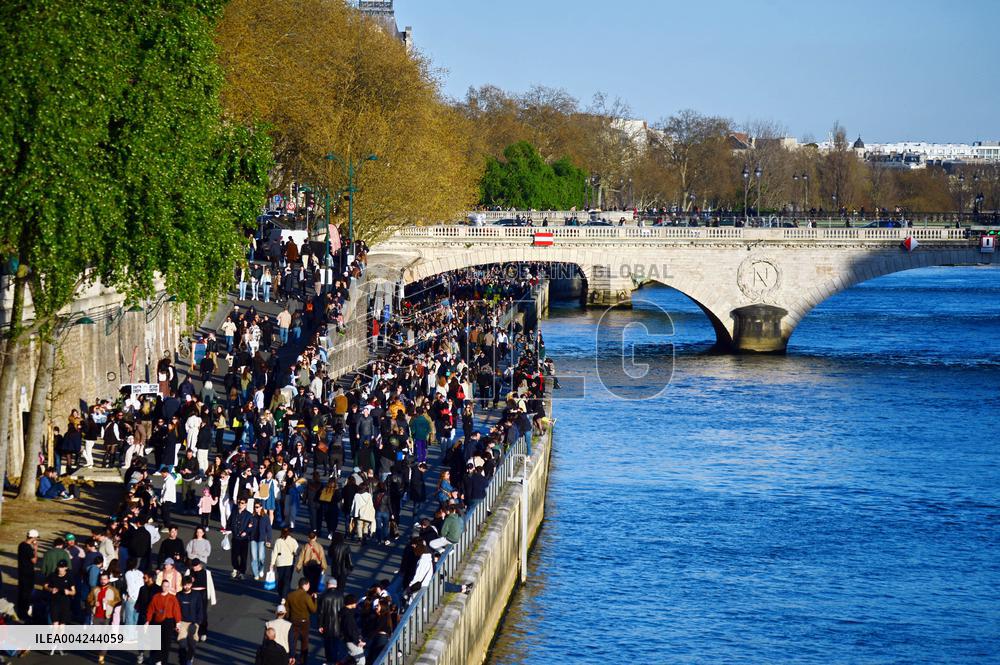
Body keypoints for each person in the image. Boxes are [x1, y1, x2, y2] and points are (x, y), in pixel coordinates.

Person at [86, 571, 121, 665]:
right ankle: (100, 650)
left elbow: (118, 601)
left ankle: (101, 657)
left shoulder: (113, 590)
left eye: (105, 579)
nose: (103, 581)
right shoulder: (95, 589)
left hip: (107, 617)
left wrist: (109, 602)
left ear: (108, 580)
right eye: (101, 579)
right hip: (97, 616)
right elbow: (89, 599)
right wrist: (94, 603)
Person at [145, 580, 182, 665]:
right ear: (161, 586)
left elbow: (176, 611)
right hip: (157, 621)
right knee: (156, 641)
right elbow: (150, 610)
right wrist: (147, 621)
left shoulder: (172, 598)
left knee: (166, 643)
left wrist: (178, 622)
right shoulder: (156, 597)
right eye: (164, 586)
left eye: (167, 586)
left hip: (168, 622)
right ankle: (157, 659)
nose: (165, 588)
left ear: (169, 587)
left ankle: (163, 661)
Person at [45, 560, 75, 655]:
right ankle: (53, 645)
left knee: (62, 625)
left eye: (62, 567)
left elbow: (74, 591)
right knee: (55, 624)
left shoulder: (69, 577)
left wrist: (68, 592)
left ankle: (61, 645)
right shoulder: (52, 575)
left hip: (65, 603)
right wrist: (51, 589)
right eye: (59, 567)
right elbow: (45, 586)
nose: (60, 569)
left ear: (66, 568)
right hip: (54, 602)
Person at [285, 578, 316, 665]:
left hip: (293, 620)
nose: (309, 587)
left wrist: (288, 618)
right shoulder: (306, 596)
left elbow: (287, 609)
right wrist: (315, 600)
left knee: (293, 640)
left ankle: (292, 658)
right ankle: (303, 660)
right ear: (304, 585)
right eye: (308, 585)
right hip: (304, 622)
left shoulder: (290, 595)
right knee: (304, 641)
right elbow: (313, 610)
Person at [177, 576, 205, 664]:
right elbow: (176, 610)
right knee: (182, 644)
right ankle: (183, 661)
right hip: (182, 622)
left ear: (191, 584)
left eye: (188, 584)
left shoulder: (196, 595)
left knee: (192, 644)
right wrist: (177, 622)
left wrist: (198, 622)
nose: (186, 586)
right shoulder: (178, 595)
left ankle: (189, 659)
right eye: (184, 585)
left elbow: (200, 609)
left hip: (193, 623)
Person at [317, 577, 345, 665]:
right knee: (336, 643)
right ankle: (335, 660)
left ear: (328, 585)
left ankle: (329, 660)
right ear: (335, 585)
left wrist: (320, 625)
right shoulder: (341, 596)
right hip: (338, 624)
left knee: (328, 644)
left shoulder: (324, 596)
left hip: (327, 624)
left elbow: (321, 613)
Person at [269, 528, 298, 602]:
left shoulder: (278, 541)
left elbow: (274, 552)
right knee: (287, 580)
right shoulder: (293, 541)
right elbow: (296, 551)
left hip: (280, 563)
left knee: (281, 579)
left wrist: (272, 563)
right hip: (289, 562)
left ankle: (280, 592)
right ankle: (284, 597)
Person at [17, 529, 38, 621]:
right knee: (26, 594)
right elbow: (34, 560)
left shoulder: (21, 545)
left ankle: (20, 611)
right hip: (28, 573)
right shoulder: (28, 548)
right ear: (33, 538)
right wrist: (35, 549)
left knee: (22, 592)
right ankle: (23, 613)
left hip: (22, 572)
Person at [230, 498, 254, 579]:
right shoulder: (234, 513)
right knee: (234, 556)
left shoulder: (249, 515)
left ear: (246, 504)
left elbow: (251, 527)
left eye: (242, 503)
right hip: (235, 537)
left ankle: (242, 572)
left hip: (244, 540)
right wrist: (228, 530)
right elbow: (229, 522)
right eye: (239, 502)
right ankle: (235, 569)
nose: (240, 504)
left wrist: (246, 532)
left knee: (243, 557)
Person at [250, 503, 273, 581]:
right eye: (255, 507)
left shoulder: (265, 517)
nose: (256, 509)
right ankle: (256, 574)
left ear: (261, 507)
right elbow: (249, 526)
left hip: (261, 539)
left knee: (261, 557)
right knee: (253, 558)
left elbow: (269, 529)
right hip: (253, 538)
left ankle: (261, 569)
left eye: (257, 507)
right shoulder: (252, 516)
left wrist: (269, 540)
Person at [341, 593, 365, 665]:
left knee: (351, 659)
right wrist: (358, 641)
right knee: (361, 661)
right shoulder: (348, 615)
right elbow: (351, 630)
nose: (356, 604)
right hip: (352, 641)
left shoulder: (344, 612)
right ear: (351, 603)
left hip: (348, 639)